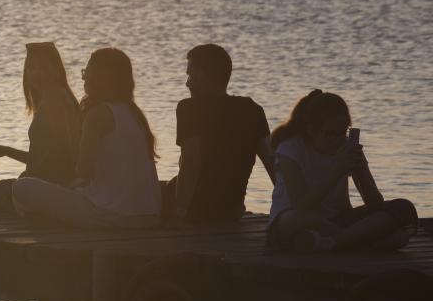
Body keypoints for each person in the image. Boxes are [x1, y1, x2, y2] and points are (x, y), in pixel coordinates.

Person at [11, 47, 160, 228]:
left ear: (98, 78)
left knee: (22, 187)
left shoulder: (97, 115)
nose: (83, 77)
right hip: (149, 217)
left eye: (86, 72)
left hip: (110, 216)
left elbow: (83, 171)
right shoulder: (133, 113)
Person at [267, 90, 417, 252]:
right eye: (330, 134)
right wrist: (338, 170)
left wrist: (361, 169)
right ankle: (354, 240)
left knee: (403, 208)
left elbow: (375, 205)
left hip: (337, 220)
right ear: (311, 130)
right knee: (294, 219)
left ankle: (330, 243)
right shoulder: (290, 149)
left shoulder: (346, 147)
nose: (337, 140)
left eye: (342, 133)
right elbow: (301, 204)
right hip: (299, 219)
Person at [165, 44, 275, 223]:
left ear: (200, 75)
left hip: (196, 212)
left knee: (150, 192)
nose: (187, 83)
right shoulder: (252, 109)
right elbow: (271, 161)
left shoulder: (189, 109)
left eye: (190, 75)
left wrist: (180, 211)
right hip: (232, 211)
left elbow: (192, 163)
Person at [0, 41, 80, 212]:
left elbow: (60, 157)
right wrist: (7, 151)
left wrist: (25, 181)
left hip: (47, 190)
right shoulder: (58, 97)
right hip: (43, 185)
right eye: (31, 68)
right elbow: (43, 158)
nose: (36, 73)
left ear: (56, 70)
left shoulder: (53, 100)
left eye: (42, 67)